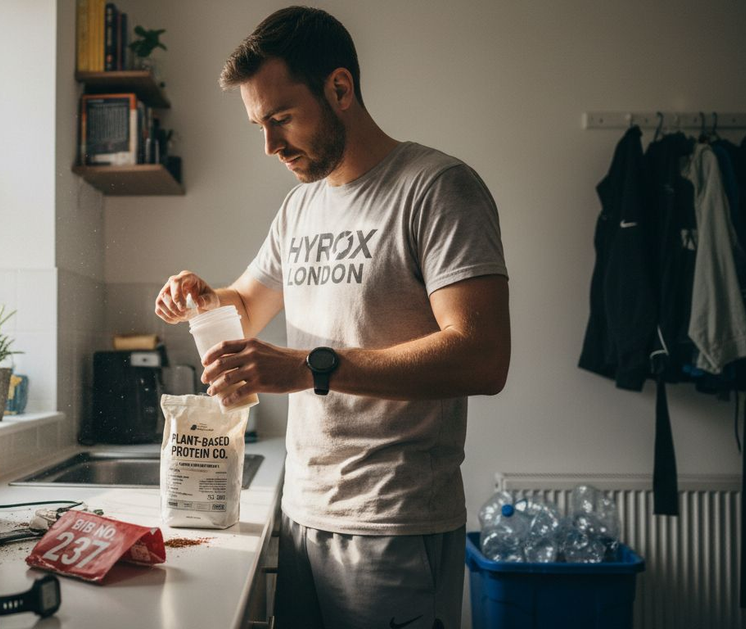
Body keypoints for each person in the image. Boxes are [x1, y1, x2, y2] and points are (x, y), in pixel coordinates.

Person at [154, 7, 510, 629]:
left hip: (395, 524)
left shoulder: (438, 188)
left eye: (282, 118)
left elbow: (482, 356)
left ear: (339, 88)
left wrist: (309, 367)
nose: (269, 146)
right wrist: (204, 298)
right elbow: (247, 303)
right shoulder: (300, 209)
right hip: (302, 513)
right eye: (258, 125)